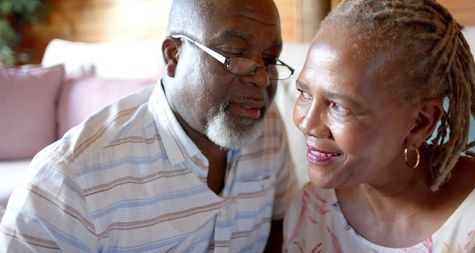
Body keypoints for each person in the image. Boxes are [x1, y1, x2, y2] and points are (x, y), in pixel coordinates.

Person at [0, 0, 298, 252]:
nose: (262, 79)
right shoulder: (69, 183)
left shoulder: (266, 127)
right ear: (173, 55)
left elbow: (280, 224)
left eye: (270, 59)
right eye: (234, 55)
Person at [283, 0, 475, 252]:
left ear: (420, 123)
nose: (306, 122)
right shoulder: (310, 210)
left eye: (339, 106)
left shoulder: (473, 223)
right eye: (304, 93)